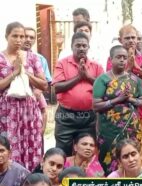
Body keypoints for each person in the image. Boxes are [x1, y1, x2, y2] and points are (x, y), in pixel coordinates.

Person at [0, 22, 48, 171]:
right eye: (15, 36)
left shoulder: (32, 58)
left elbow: (44, 85)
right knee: (8, 146)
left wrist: (25, 72)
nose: (19, 40)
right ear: (6, 36)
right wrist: (14, 73)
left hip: (29, 111)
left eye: (22, 36)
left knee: (31, 146)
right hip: (7, 111)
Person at [93, 45, 142, 174]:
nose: (122, 60)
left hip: (131, 127)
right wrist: (118, 99)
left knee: (132, 156)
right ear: (111, 60)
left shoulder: (135, 79)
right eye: (118, 57)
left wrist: (131, 100)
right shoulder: (103, 79)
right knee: (108, 157)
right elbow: (96, 105)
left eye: (124, 57)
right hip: (109, 129)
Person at [106, 24, 142, 168]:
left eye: (134, 37)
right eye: (127, 38)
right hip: (120, 113)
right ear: (120, 39)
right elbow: (111, 83)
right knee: (121, 147)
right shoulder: (112, 59)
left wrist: (137, 69)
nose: (131, 41)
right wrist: (127, 68)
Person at [53, 32, 104, 156]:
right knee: (63, 151)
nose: (81, 48)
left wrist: (88, 77)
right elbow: (57, 88)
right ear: (72, 47)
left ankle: (84, 175)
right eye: (78, 45)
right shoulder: (62, 63)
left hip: (89, 116)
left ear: (88, 47)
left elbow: (105, 88)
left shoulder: (96, 66)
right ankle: (64, 175)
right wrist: (78, 77)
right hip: (66, 116)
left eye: (84, 45)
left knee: (88, 151)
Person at [22, 27, 51, 143]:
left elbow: (46, 82)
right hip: (15, 104)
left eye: (32, 37)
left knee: (35, 139)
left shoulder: (40, 59)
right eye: (25, 36)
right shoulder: (8, 57)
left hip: (35, 102)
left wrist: (36, 93)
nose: (28, 40)